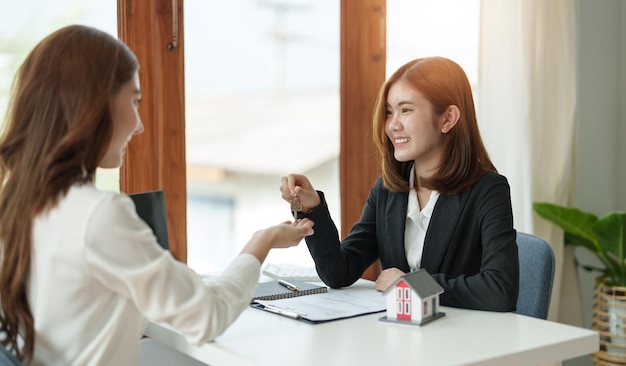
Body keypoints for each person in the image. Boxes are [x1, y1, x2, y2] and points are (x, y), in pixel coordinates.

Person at [0, 25, 314, 365]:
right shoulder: (98, 214)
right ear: (93, 105)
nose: (138, 124)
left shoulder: (19, 203)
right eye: (133, 101)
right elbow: (208, 316)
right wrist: (264, 240)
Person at [280, 56, 518, 312]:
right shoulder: (387, 190)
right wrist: (313, 206)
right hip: (399, 336)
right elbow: (339, 272)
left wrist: (413, 284)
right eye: (390, 112)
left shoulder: (487, 190)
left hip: (458, 339)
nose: (392, 125)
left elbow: (500, 290)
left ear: (447, 118)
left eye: (406, 110)